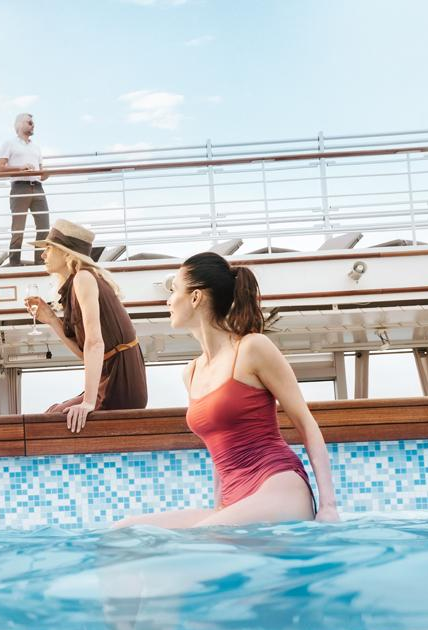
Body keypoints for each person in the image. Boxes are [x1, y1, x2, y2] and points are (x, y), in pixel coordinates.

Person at [119, 252, 339, 528]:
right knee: (125, 529)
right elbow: (219, 446)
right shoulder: (192, 372)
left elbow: (305, 422)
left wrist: (328, 506)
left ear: (196, 297)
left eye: (173, 290)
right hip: (236, 497)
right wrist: (219, 505)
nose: (168, 300)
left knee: (205, 535)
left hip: (278, 484)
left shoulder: (252, 348)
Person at [24, 219, 148, 433]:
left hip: (120, 381)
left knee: (51, 423)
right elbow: (87, 354)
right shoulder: (77, 283)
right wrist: (53, 320)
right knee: (51, 414)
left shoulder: (83, 278)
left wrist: (88, 403)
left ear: (66, 253)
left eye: (49, 248)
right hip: (111, 377)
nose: (43, 255)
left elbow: (94, 343)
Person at [0, 112, 48, 266]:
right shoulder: (9, 143)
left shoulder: (36, 147)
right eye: (29, 122)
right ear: (19, 124)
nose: (33, 125)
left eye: (33, 123)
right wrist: (21, 168)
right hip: (20, 187)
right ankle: (14, 263)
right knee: (18, 229)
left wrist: (46, 174)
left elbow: (42, 172)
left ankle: (40, 262)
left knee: (44, 226)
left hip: (38, 187)